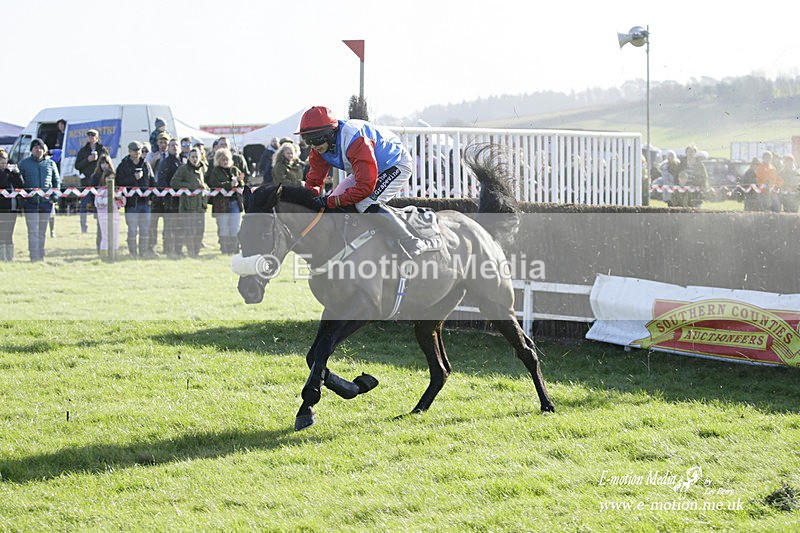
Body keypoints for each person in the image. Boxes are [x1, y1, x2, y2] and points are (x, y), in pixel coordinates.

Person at [297, 105, 430, 257]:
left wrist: (334, 201)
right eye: (308, 141)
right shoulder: (318, 150)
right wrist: (308, 201)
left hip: (395, 163)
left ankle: (411, 240)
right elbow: (314, 180)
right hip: (367, 168)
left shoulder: (356, 140)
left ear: (330, 134)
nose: (313, 145)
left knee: (364, 203)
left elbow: (365, 186)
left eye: (316, 139)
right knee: (337, 200)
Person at [18, 138, 60, 261]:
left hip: (46, 203)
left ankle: (41, 256)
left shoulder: (50, 163)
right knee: (32, 231)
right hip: (30, 203)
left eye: (41, 147)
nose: (38, 150)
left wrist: (54, 197)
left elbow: (56, 181)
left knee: (42, 231)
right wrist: (23, 199)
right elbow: (19, 183)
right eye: (36, 147)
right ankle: (33, 256)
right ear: (31, 149)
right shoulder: (24, 164)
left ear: (45, 149)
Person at [115, 141, 155, 258]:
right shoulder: (123, 165)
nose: (137, 153)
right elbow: (119, 182)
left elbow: (152, 182)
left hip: (145, 202)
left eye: (138, 151)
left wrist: (151, 198)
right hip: (131, 204)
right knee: (132, 230)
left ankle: (142, 253)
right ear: (129, 151)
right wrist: (134, 178)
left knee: (145, 230)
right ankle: (133, 253)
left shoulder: (146, 164)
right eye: (134, 151)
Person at [205, 148, 245, 254]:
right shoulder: (215, 171)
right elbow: (214, 184)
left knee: (235, 226)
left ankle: (235, 248)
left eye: (227, 159)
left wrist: (239, 182)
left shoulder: (235, 169)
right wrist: (229, 185)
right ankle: (224, 248)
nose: (225, 162)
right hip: (221, 203)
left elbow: (242, 183)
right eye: (223, 160)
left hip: (235, 202)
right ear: (218, 160)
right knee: (223, 226)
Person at [170, 148, 208, 257]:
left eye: (197, 157)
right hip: (187, 206)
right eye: (192, 157)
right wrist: (190, 186)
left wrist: (205, 188)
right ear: (188, 158)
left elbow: (204, 183)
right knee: (188, 231)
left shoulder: (203, 169)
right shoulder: (183, 169)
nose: (195, 159)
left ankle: (196, 252)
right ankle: (189, 251)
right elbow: (174, 182)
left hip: (200, 206)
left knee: (200, 231)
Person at [74, 129, 109, 234]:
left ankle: (101, 226)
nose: (91, 138)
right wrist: (88, 160)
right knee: (84, 205)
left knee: (99, 205)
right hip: (86, 182)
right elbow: (77, 165)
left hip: (99, 182)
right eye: (89, 136)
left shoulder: (102, 149)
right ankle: (83, 228)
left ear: (97, 137)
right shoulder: (83, 150)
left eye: (93, 136)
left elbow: (107, 163)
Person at [90, 153, 124, 258]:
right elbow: (97, 201)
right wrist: (109, 198)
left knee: (115, 235)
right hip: (103, 214)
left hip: (115, 214)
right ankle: (103, 253)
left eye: (106, 163)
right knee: (103, 234)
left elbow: (121, 201)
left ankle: (114, 253)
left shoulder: (115, 187)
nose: (104, 165)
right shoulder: (97, 181)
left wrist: (119, 198)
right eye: (102, 163)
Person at [153, 138, 183, 257]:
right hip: (169, 200)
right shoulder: (165, 162)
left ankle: (178, 249)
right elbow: (161, 181)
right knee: (169, 226)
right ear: (168, 148)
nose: (174, 147)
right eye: (172, 145)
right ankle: (168, 249)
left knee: (179, 226)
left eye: (176, 145)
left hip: (180, 200)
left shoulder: (181, 161)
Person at [0, 150, 23, 261]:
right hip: (1, 208)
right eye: (1, 163)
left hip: (12, 208)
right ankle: (1, 257)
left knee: (9, 234)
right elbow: (2, 182)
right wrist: (6, 172)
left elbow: (21, 184)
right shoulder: (5, 173)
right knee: (1, 234)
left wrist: (17, 173)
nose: (3, 165)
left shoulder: (10, 172)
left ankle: (9, 258)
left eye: (5, 162)